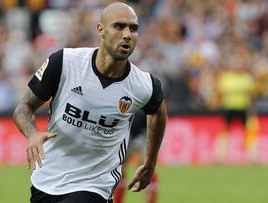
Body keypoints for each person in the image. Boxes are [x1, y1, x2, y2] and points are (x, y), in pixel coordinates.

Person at [13, 2, 167, 203]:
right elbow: (23, 108)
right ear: (101, 30)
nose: (127, 34)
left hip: (95, 186)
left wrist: (150, 162)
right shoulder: (64, 63)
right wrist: (32, 133)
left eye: (133, 28)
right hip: (47, 180)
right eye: (119, 26)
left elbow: (158, 111)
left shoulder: (144, 85)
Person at [114, 110, 159, 203]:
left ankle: (151, 201)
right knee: (122, 167)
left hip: (144, 130)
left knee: (145, 166)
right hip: (133, 130)